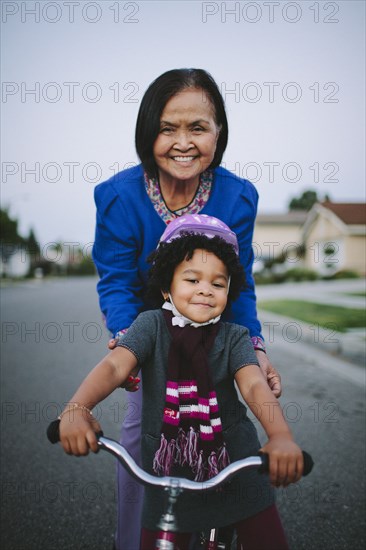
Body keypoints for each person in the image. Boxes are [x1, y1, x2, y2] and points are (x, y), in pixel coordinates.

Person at [92, 68, 282, 549]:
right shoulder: (118, 196)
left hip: (216, 336)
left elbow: (240, 285)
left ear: (219, 133)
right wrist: (127, 340)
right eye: (167, 127)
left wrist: (254, 348)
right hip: (151, 333)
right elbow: (115, 280)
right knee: (142, 441)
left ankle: (232, 520)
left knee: (231, 431)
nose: (183, 142)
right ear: (147, 132)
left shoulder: (238, 196)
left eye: (198, 127)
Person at [60, 215, 303, 550]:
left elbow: (254, 387)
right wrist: (77, 408)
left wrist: (281, 437)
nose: (206, 289)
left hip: (236, 466)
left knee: (268, 539)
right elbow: (115, 367)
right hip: (167, 470)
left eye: (218, 284)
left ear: (229, 292)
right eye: (192, 279)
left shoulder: (235, 337)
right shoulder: (149, 327)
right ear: (166, 286)